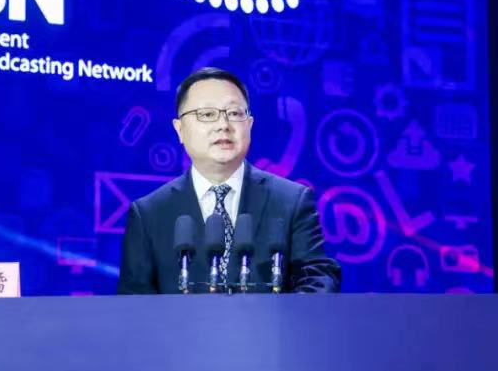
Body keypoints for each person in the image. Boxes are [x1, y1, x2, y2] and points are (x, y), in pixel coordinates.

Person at [118, 67, 341, 294]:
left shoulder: (292, 201)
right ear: (180, 129)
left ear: (249, 125)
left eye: (234, 113)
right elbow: (134, 302)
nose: (223, 125)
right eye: (207, 114)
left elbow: (318, 278)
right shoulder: (148, 214)